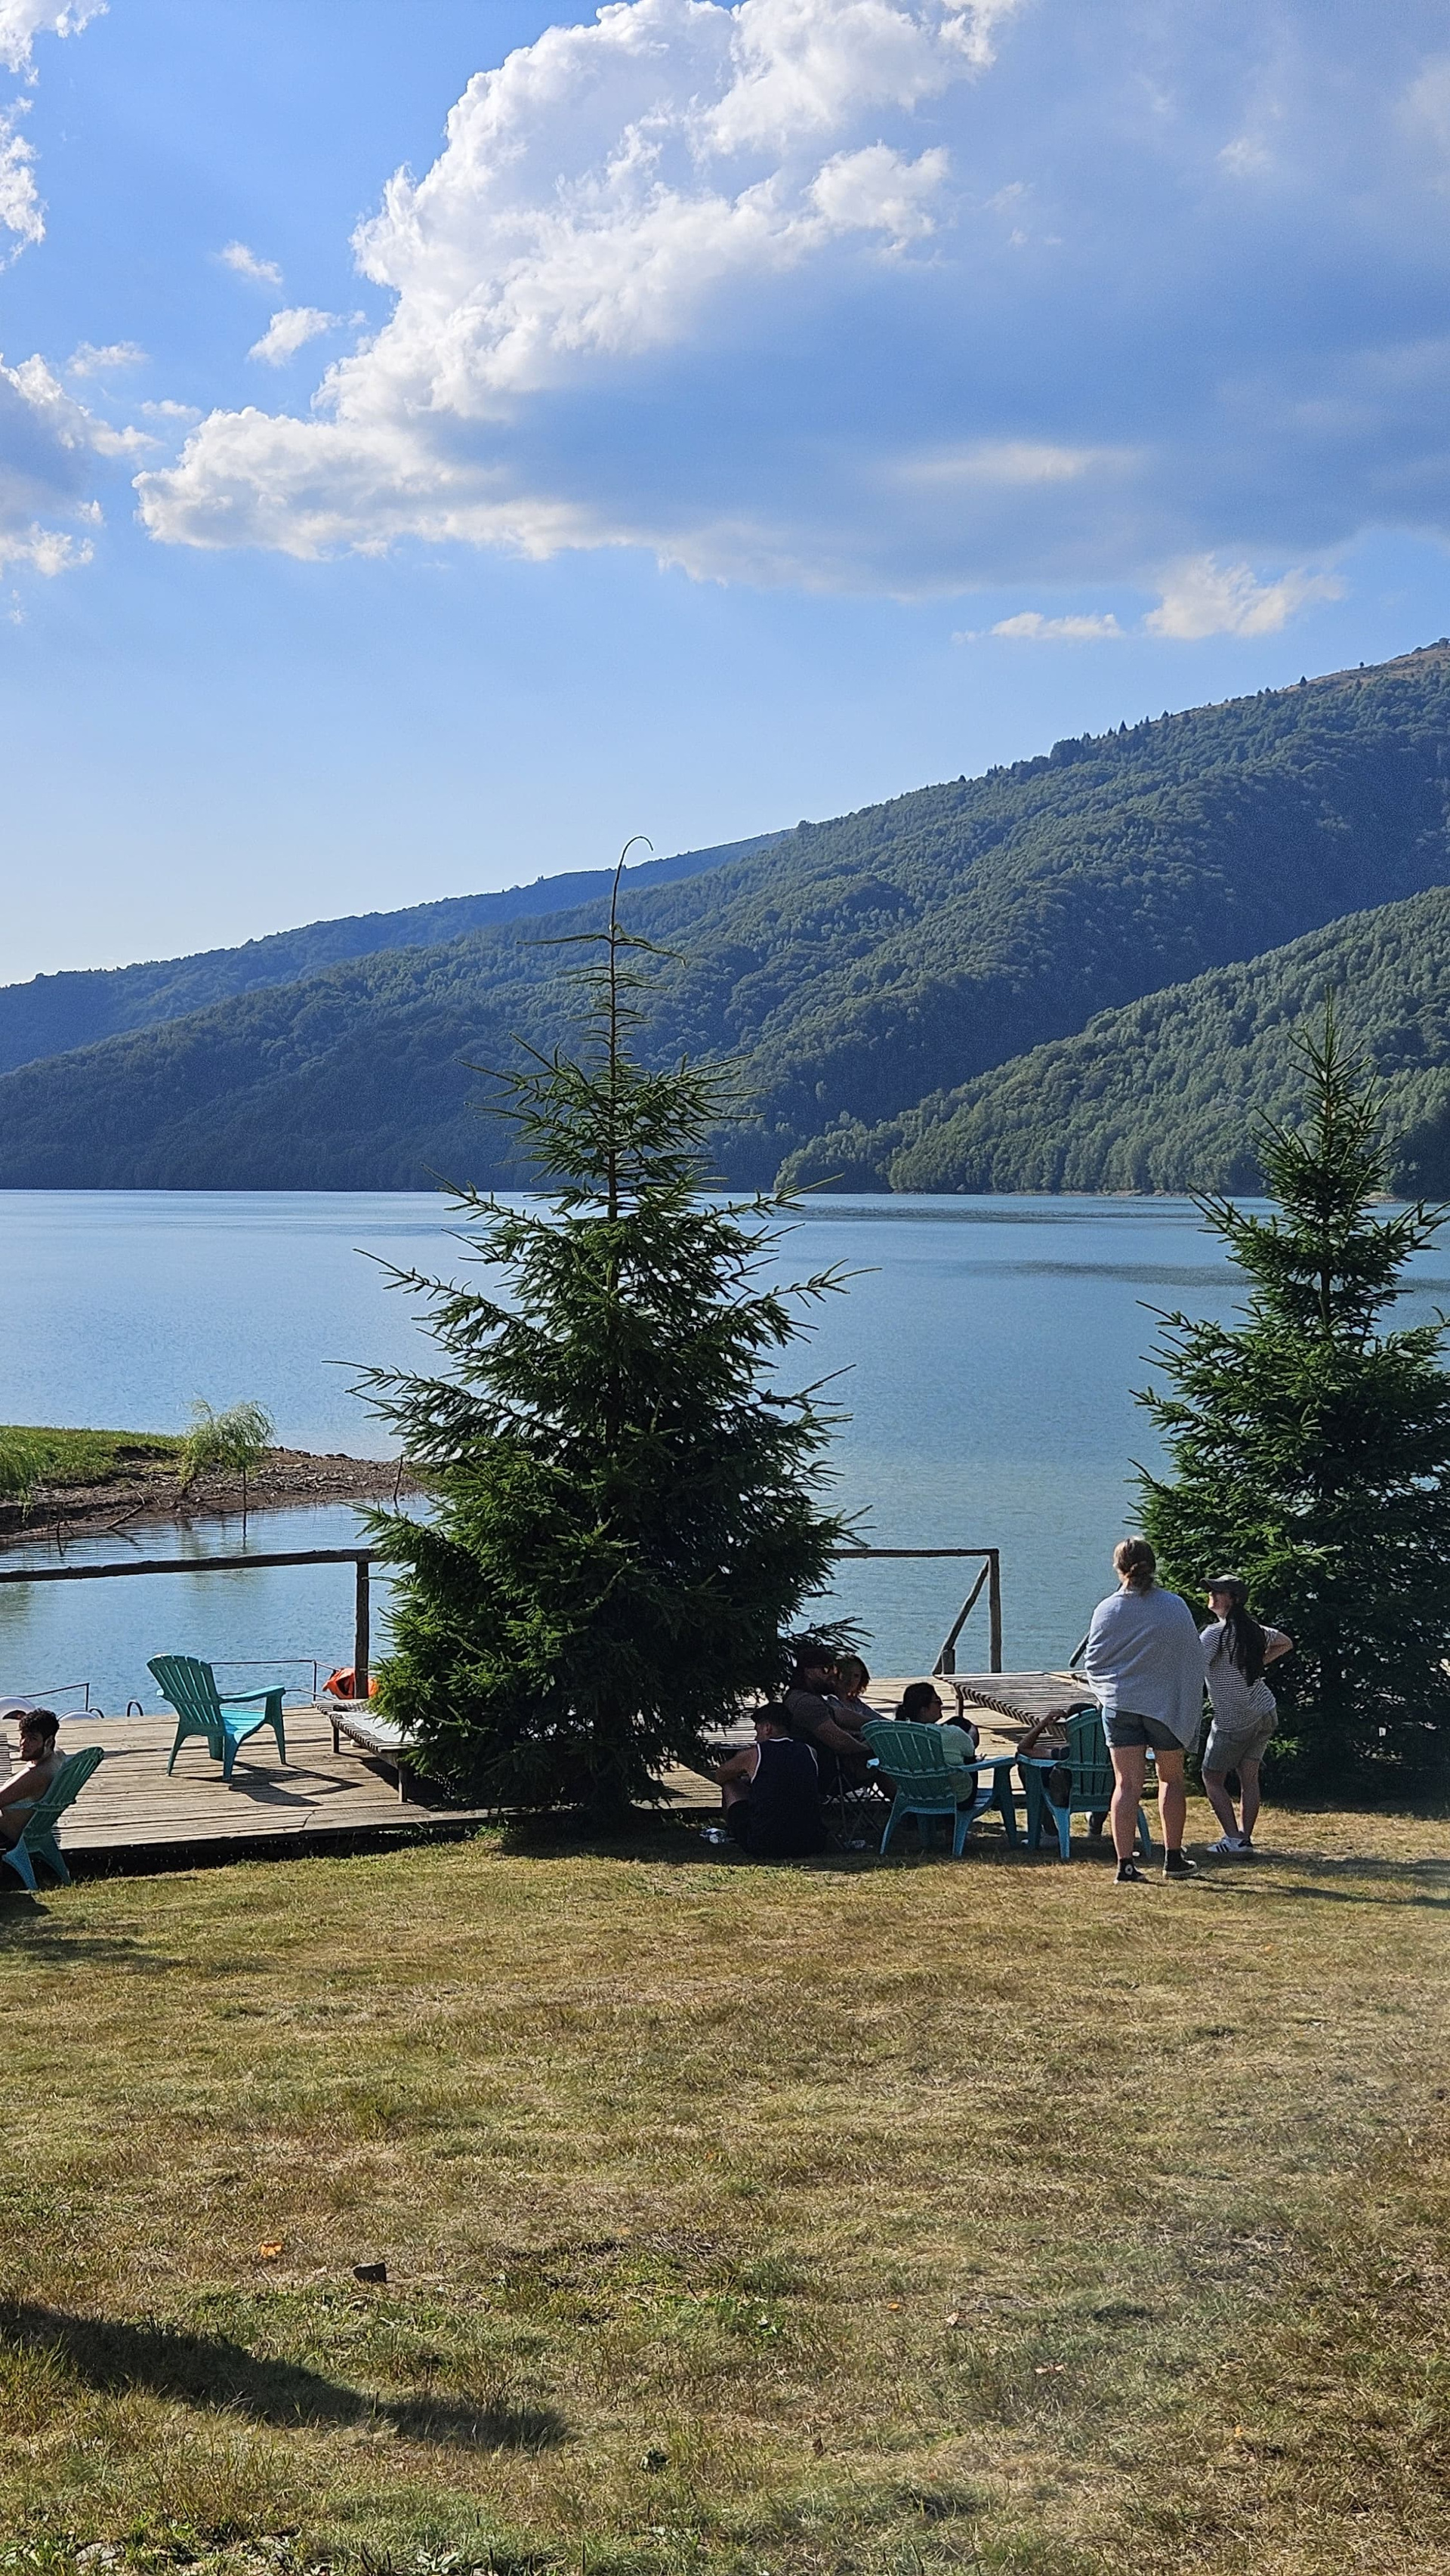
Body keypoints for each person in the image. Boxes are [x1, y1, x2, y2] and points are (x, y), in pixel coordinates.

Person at [1075, 1536, 1207, 1885]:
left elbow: (1094, 1662)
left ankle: (1125, 1865)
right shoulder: (1174, 1606)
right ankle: (1173, 1858)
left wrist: (1111, 1691)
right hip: (1166, 1706)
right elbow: (1192, 1656)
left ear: (1118, 1568)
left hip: (1120, 1704)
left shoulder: (1107, 1610)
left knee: (1126, 1784)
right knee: (1171, 1779)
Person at [1199, 1575, 1292, 1855]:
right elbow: (1285, 1642)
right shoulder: (1253, 1630)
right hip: (1265, 1711)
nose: (1212, 1594)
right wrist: (1255, 1663)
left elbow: (1194, 1667)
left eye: (1219, 1591)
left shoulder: (1214, 1634)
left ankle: (1233, 1839)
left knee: (1211, 1776)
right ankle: (1245, 1838)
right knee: (1249, 1778)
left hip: (1234, 1719)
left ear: (1234, 1599)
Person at [713, 1707, 828, 1858]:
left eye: (757, 1731)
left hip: (766, 1843)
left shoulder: (754, 1754)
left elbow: (720, 1775)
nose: (756, 1738)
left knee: (729, 1784)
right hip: (811, 1842)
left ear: (767, 1728)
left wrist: (743, 1772)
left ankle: (732, 1833)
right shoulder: (810, 1751)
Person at [783, 1645, 872, 1770]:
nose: (831, 1675)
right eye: (825, 1669)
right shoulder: (805, 1702)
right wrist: (871, 1751)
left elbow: (840, 1714)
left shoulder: (807, 1696)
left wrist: (880, 1725)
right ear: (808, 1672)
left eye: (833, 1669)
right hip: (821, 1773)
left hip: (823, 1767)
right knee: (882, 1767)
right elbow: (840, 1743)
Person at [0, 1709, 66, 1848]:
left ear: (49, 1741)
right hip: (34, 1829)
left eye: (33, 1739)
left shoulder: (37, 1775)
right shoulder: (57, 1756)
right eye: (23, 1736)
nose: (24, 1743)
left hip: (8, 1837)